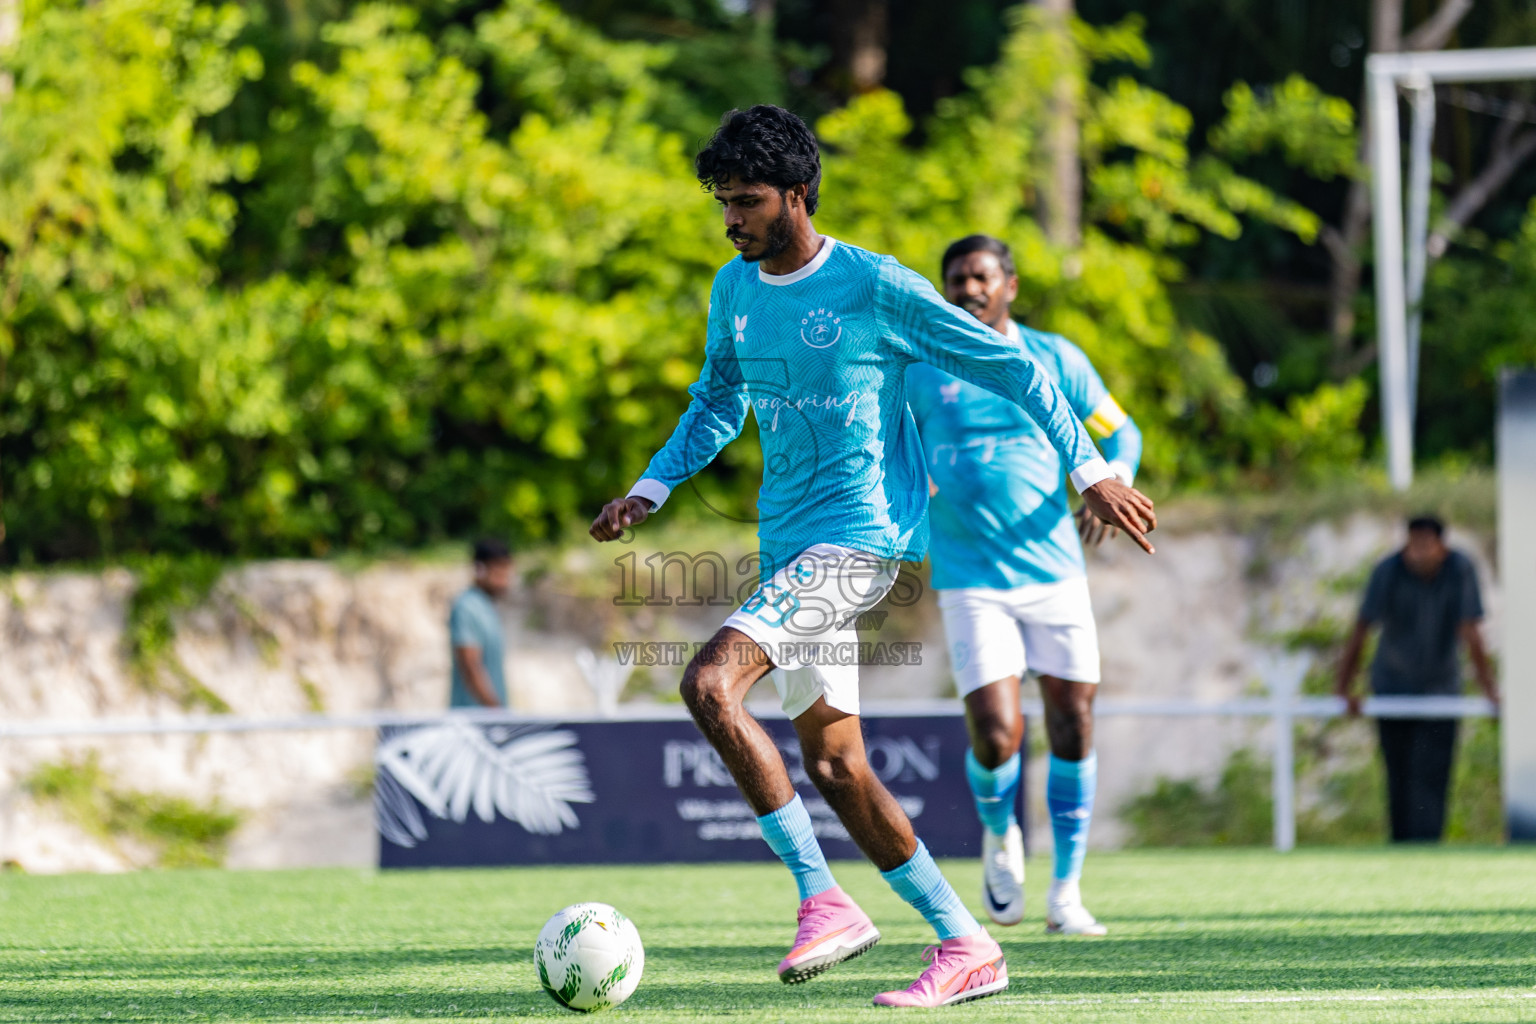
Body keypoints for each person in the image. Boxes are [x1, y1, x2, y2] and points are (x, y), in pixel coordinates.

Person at [588, 105, 1157, 1008]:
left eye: (745, 202)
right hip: (789, 551)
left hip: (860, 543)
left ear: (798, 195)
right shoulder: (734, 289)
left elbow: (1019, 371)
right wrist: (648, 491)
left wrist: (1089, 468)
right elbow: (716, 402)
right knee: (837, 768)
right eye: (724, 204)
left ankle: (822, 899)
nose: (731, 220)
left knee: (707, 686)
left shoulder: (878, 286)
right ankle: (969, 945)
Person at [907, 235, 1141, 938]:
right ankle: (998, 835)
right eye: (955, 280)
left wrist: (1114, 481)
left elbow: (1118, 431)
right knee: (1000, 732)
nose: (967, 289)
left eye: (979, 277)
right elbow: (891, 451)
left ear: (1009, 284)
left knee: (1072, 723)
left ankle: (1066, 893)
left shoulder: (1057, 357)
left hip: (1054, 574)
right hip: (970, 578)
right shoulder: (920, 366)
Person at [1334, 515, 1499, 842]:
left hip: (1441, 690)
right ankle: (1401, 849)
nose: (1418, 553)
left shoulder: (1459, 570)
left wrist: (1489, 690)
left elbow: (1471, 632)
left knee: (1433, 776)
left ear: (1441, 547)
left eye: (1426, 545)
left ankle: (1427, 848)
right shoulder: (1387, 570)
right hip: (1392, 686)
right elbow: (1361, 629)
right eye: (1413, 545)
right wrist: (1343, 688)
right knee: (1399, 775)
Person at [448, 539, 512, 709]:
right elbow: (470, 665)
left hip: (487, 719)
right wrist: (496, 712)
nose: (504, 581)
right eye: (499, 574)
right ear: (480, 570)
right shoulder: (466, 607)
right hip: (474, 722)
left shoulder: (487, 607)